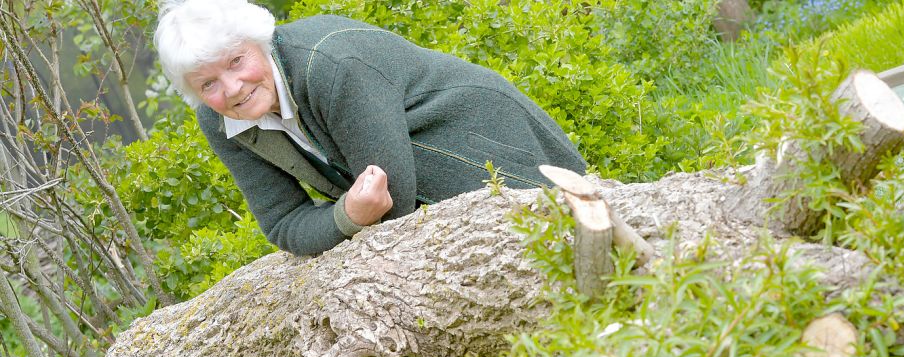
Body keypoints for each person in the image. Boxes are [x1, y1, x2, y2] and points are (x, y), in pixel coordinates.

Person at [154, 0, 587, 255]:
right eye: (208, 82)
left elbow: (390, 202)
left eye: (236, 61)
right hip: (422, 189)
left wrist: (356, 217)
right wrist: (348, 216)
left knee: (564, 241)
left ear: (259, 42)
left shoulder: (330, 68)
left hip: (483, 136)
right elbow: (284, 223)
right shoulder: (217, 119)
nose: (232, 89)